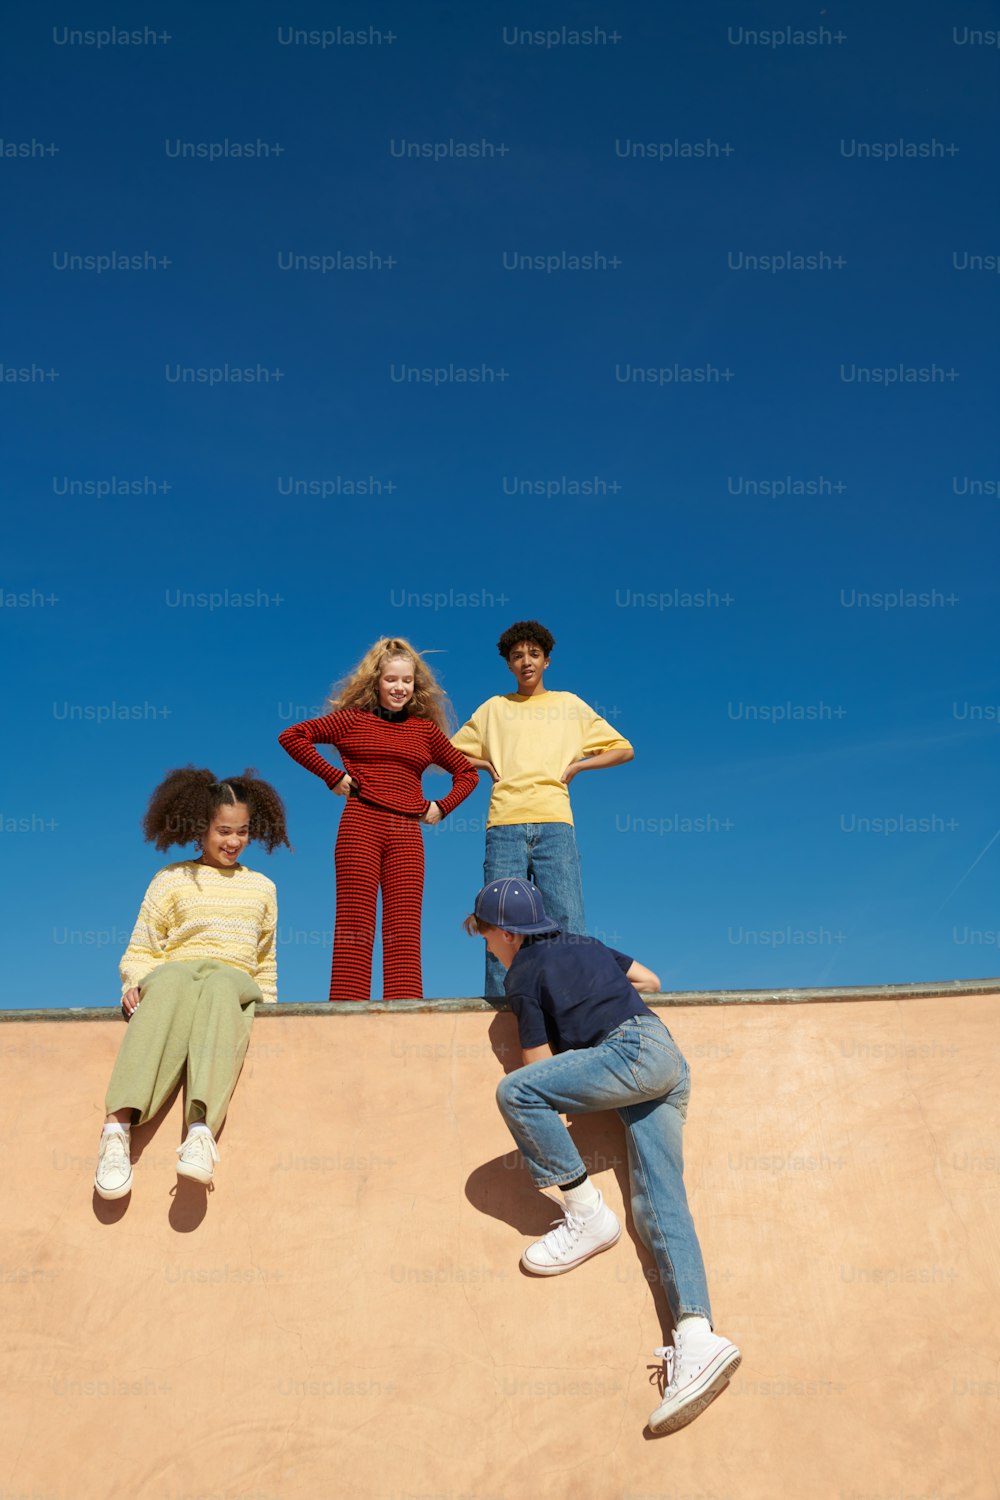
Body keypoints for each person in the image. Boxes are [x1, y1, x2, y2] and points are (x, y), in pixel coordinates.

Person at [465, 877, 741, 1436]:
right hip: (666, 1056)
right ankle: (697, 1337)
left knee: (514, 1093)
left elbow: (535, 1070)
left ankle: (587, 1215)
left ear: (506, 934)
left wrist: (577, 1055)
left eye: (486, 935)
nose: (487, 946)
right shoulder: (586, 944)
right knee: (660, 1202)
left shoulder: (522, 974)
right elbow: (649, 979)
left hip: (630, 1054)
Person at [94, 767, 289, 1201]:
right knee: (175, 977)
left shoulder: (262, 888)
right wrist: (138, 981)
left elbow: (264, 960)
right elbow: (144, 946)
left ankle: (200, 1133)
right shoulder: (171, 879)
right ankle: (115, 1131)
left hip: (233, 981)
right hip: (177, 977)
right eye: (223, 831)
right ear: (200, 828)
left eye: (242, 832)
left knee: (221, 985)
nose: (233, 841)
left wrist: (272, 1007)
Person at [278, 637, 477, 1001]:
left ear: (416, 685)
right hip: (359, 826)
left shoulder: (425, 732)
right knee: (355, 923)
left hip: (407, 833)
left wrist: (442, 806)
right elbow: (293, 736)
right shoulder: (352, 721)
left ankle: (403, 1020)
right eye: (391, 680)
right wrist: (332, 775)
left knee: (403, 927)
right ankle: (344, 1018)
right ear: (376, 682)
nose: (399, 687)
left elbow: (467, 774)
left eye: (407, 680)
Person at [451, 620, 634, 997]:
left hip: (555, 826)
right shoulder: (493, 709)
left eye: (533, 654)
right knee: (498, 926)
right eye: (517, 656)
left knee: (568, 923)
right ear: (508, 664)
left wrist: (580, 764)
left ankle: (575, 1010)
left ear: (547, 660)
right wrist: (483, 764)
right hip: (504, 826)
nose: (526, 662)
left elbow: (624, 748)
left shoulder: (568, 704)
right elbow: (446, 753)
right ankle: (504, 1016)